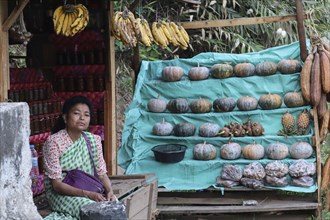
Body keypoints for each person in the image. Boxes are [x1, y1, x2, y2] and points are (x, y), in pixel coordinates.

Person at [43, 96, 114, 219]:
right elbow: (57, 185)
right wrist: (87, 195)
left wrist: (110, 191)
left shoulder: (93, 140)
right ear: (65, 117)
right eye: (76, 113)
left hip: (90, 189)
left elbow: (102, 174)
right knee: (95, 211)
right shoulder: (54, 142)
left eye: (86, 115)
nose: (82, 118)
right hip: (62, 194)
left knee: (115, 207)